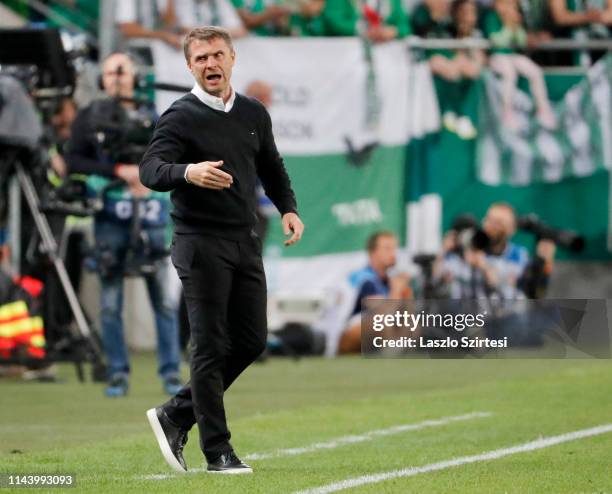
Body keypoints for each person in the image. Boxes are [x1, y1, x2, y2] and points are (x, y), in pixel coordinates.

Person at [141, 26, 304, 474]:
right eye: (200, 59)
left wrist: (288, 208)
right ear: (189, 67)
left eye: (217, 55)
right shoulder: (179, 116)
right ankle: (218, 452)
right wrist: (188, 171)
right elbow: (150, 170)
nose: (210, 64)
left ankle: (177, 412)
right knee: (210, 346)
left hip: (243, 239)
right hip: (198, 242)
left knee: (250, 340)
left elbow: (271, 166)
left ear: (233, 58)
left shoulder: (253, 112)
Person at [65, 53, 182, 398]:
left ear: (134, 76)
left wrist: (148, 176)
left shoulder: (152, 117)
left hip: (150, 214)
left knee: (162, 298)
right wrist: (118, 172)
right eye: (111, 73)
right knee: (111, 299)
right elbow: (74, 158)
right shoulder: (90, 117)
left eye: (123, 72)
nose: (118, 79)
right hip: (110, 215)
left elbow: (172, 157)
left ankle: (171, 373)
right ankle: (117, 373)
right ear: (102, 78)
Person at [437, 203, 556, 300]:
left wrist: (545, 264)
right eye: (489, 220)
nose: (492, 227)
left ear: (512, 229)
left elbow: (532, 295)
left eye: (499, 223)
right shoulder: (466, 248)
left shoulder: (519, 257)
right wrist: (442, 252)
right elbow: (436, 285)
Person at [483, 0, 557, 129]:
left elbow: (521, 41)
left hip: (512, 56)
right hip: (497, 56)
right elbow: (497, 41)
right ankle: (507, 112)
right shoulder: (491, 18)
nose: (509, 7)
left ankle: (543, 110)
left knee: (535, 71)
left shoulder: (514, 18)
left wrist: (517, 27)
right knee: (509, 73)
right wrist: (508, 25)